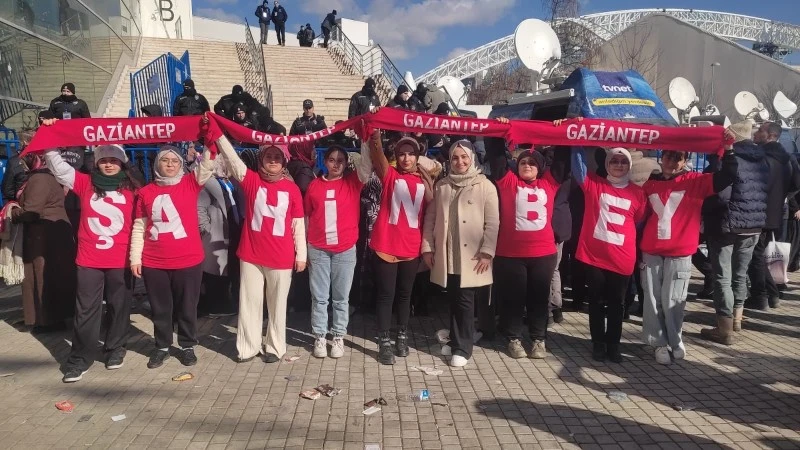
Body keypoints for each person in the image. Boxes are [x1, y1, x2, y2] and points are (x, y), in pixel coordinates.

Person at [42, 142, 142, 382]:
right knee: (86, 310)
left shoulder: (134, 188)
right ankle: (79, 358)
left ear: (122, 163)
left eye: (114, 160)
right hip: (89, 258)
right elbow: (58, 167)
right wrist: (49, 140)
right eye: (104, 160)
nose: (109, 164)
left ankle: (115, 347)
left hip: (120, 258)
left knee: (119, 306)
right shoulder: (85, 183)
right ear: (96, 163)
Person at [640, 146, 737, 365]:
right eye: (668, 155)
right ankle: (658, 343)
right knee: (653, 299)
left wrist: (728, 151)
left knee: (674, 300)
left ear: (685, 162)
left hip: (680, 251)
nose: (672, 161)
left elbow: (727, 176)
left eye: (678, 157)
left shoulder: (696, 181)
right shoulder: (650, 184)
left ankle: (675, 339)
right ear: (661, 157)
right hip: (652, 250)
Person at [215, 136, 306, 364]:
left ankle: (275, 347)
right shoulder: (252, 181)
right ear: (261, 160)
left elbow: (298, 225)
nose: (273, 161)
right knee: (249, 303)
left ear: (284, 161)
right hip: (252, 254)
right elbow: (233, 161)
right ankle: (248, 347)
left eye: (277, 157)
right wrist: (218, 136)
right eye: (268, 156)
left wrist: (302, 255)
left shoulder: (292, 189)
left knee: (277, 305)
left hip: (281, 256)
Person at [130, 142, 214, 369]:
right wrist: (135, 258)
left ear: (181, 165)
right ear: (157, 164)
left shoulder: (190, 184)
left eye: (175, 161)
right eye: (165, 160)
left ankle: (187, 345)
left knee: (187, 306)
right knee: (160, 308)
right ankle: (162, 346)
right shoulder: (145, 192)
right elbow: (139, 227)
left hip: (188, 260)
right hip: (155, 261)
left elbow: (207, 164)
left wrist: (210, 139)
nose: (170, 164)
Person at [486, 135, 567, 360]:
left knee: (538, 300)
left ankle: (538, 339)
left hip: (543, 254)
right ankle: (513, 338)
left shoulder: (549, 183)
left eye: (532, 163)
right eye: (523, 162)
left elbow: (562, 159)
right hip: (510, 255)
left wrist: (565, 129)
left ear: (540, 168)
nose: (527, 165)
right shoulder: (508, 182)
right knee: (513, 299)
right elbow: (495, 155)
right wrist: (498, 130)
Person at [421, 140, 498, 367]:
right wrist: (428, 247)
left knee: (465, 301)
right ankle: (456, 340)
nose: (460, 162)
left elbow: (493, 223)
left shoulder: (485, 185)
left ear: (472, 158)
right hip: (448, 254)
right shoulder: (443, 185)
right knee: (454, 298)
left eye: (464, 157)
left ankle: (463, 348)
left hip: (472, 256)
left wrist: (487, 252)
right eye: (455, 157)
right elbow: (431, 218)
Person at [569, 139, 646, 363]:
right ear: (607, 164)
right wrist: (577, 137)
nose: (619, 165)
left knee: (617, 304)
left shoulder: (638, 193)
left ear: (629, 165)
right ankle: (598, 343)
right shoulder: (594, 184)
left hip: (621, 258)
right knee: (595, 302)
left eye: (623, 161)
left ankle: (614, 344)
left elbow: (638, 220)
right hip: (595, 256)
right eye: (614, 161)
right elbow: (578, 165)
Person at [366, 130, 434, 365]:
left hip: (411, 246)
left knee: (405, 295)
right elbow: (377, 155)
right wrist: (374, 134)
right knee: (386, 295)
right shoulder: (390, 174)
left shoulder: (425, 179)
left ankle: (402, 336)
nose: (406, 158)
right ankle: (384, 340)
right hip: (387, 244)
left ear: (417, 156)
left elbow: (432, 209)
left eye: (411, 154)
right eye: (402, 154)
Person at [701, 120, 769, 344]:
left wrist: (704, 208)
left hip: (727, 224)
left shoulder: (728, 159)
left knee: (722, 277)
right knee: (740, 274)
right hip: (753, 225)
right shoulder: (762, 160)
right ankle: (738, 319)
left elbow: (720, 195)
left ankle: (724, 329)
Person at [306, 146, 367, 358]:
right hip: (318, 249)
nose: (336, 164)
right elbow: (307, 217)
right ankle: (320, 336)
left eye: (340, 160)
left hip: (345, 249)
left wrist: (367, 138)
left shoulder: (352, 182)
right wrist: (305, 248)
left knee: (341, 298)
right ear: (325, 161)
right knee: (319, 297)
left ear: (346, 163)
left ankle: (338, 336)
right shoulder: (314, 185)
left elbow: (367, 164)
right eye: (332, 160)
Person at [12, 149, 76, 332]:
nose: (22, 160)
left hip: (44, 236)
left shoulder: (39, 178)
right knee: (48, 276)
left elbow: (32, 211)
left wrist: (12, 212)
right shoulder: (45, 176)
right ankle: (46, 318)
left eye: (26, 156)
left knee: (43, 277)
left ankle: (48, 320)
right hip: (49, 233)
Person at [746, 121, 800, 310]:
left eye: (760, 130)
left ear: (770, 135)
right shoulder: (786, 157)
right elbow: (796, 184)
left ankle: (761, 295)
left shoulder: (760, 156)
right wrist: (781, 197)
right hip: (775, 213)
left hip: (758, 212)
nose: (756, 132)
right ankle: (771, 293)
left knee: (755, 255)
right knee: (759, 254)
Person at [197, 156, 241, 318]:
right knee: (215, 271)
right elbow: (199, 208)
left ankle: (223, 302)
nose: (226, 166)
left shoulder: (228, 181)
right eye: (223, 163)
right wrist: (206, 229)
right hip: (216, 232)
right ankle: (214, 306)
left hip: (231, 231)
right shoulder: (207, 182)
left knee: (226, 268)